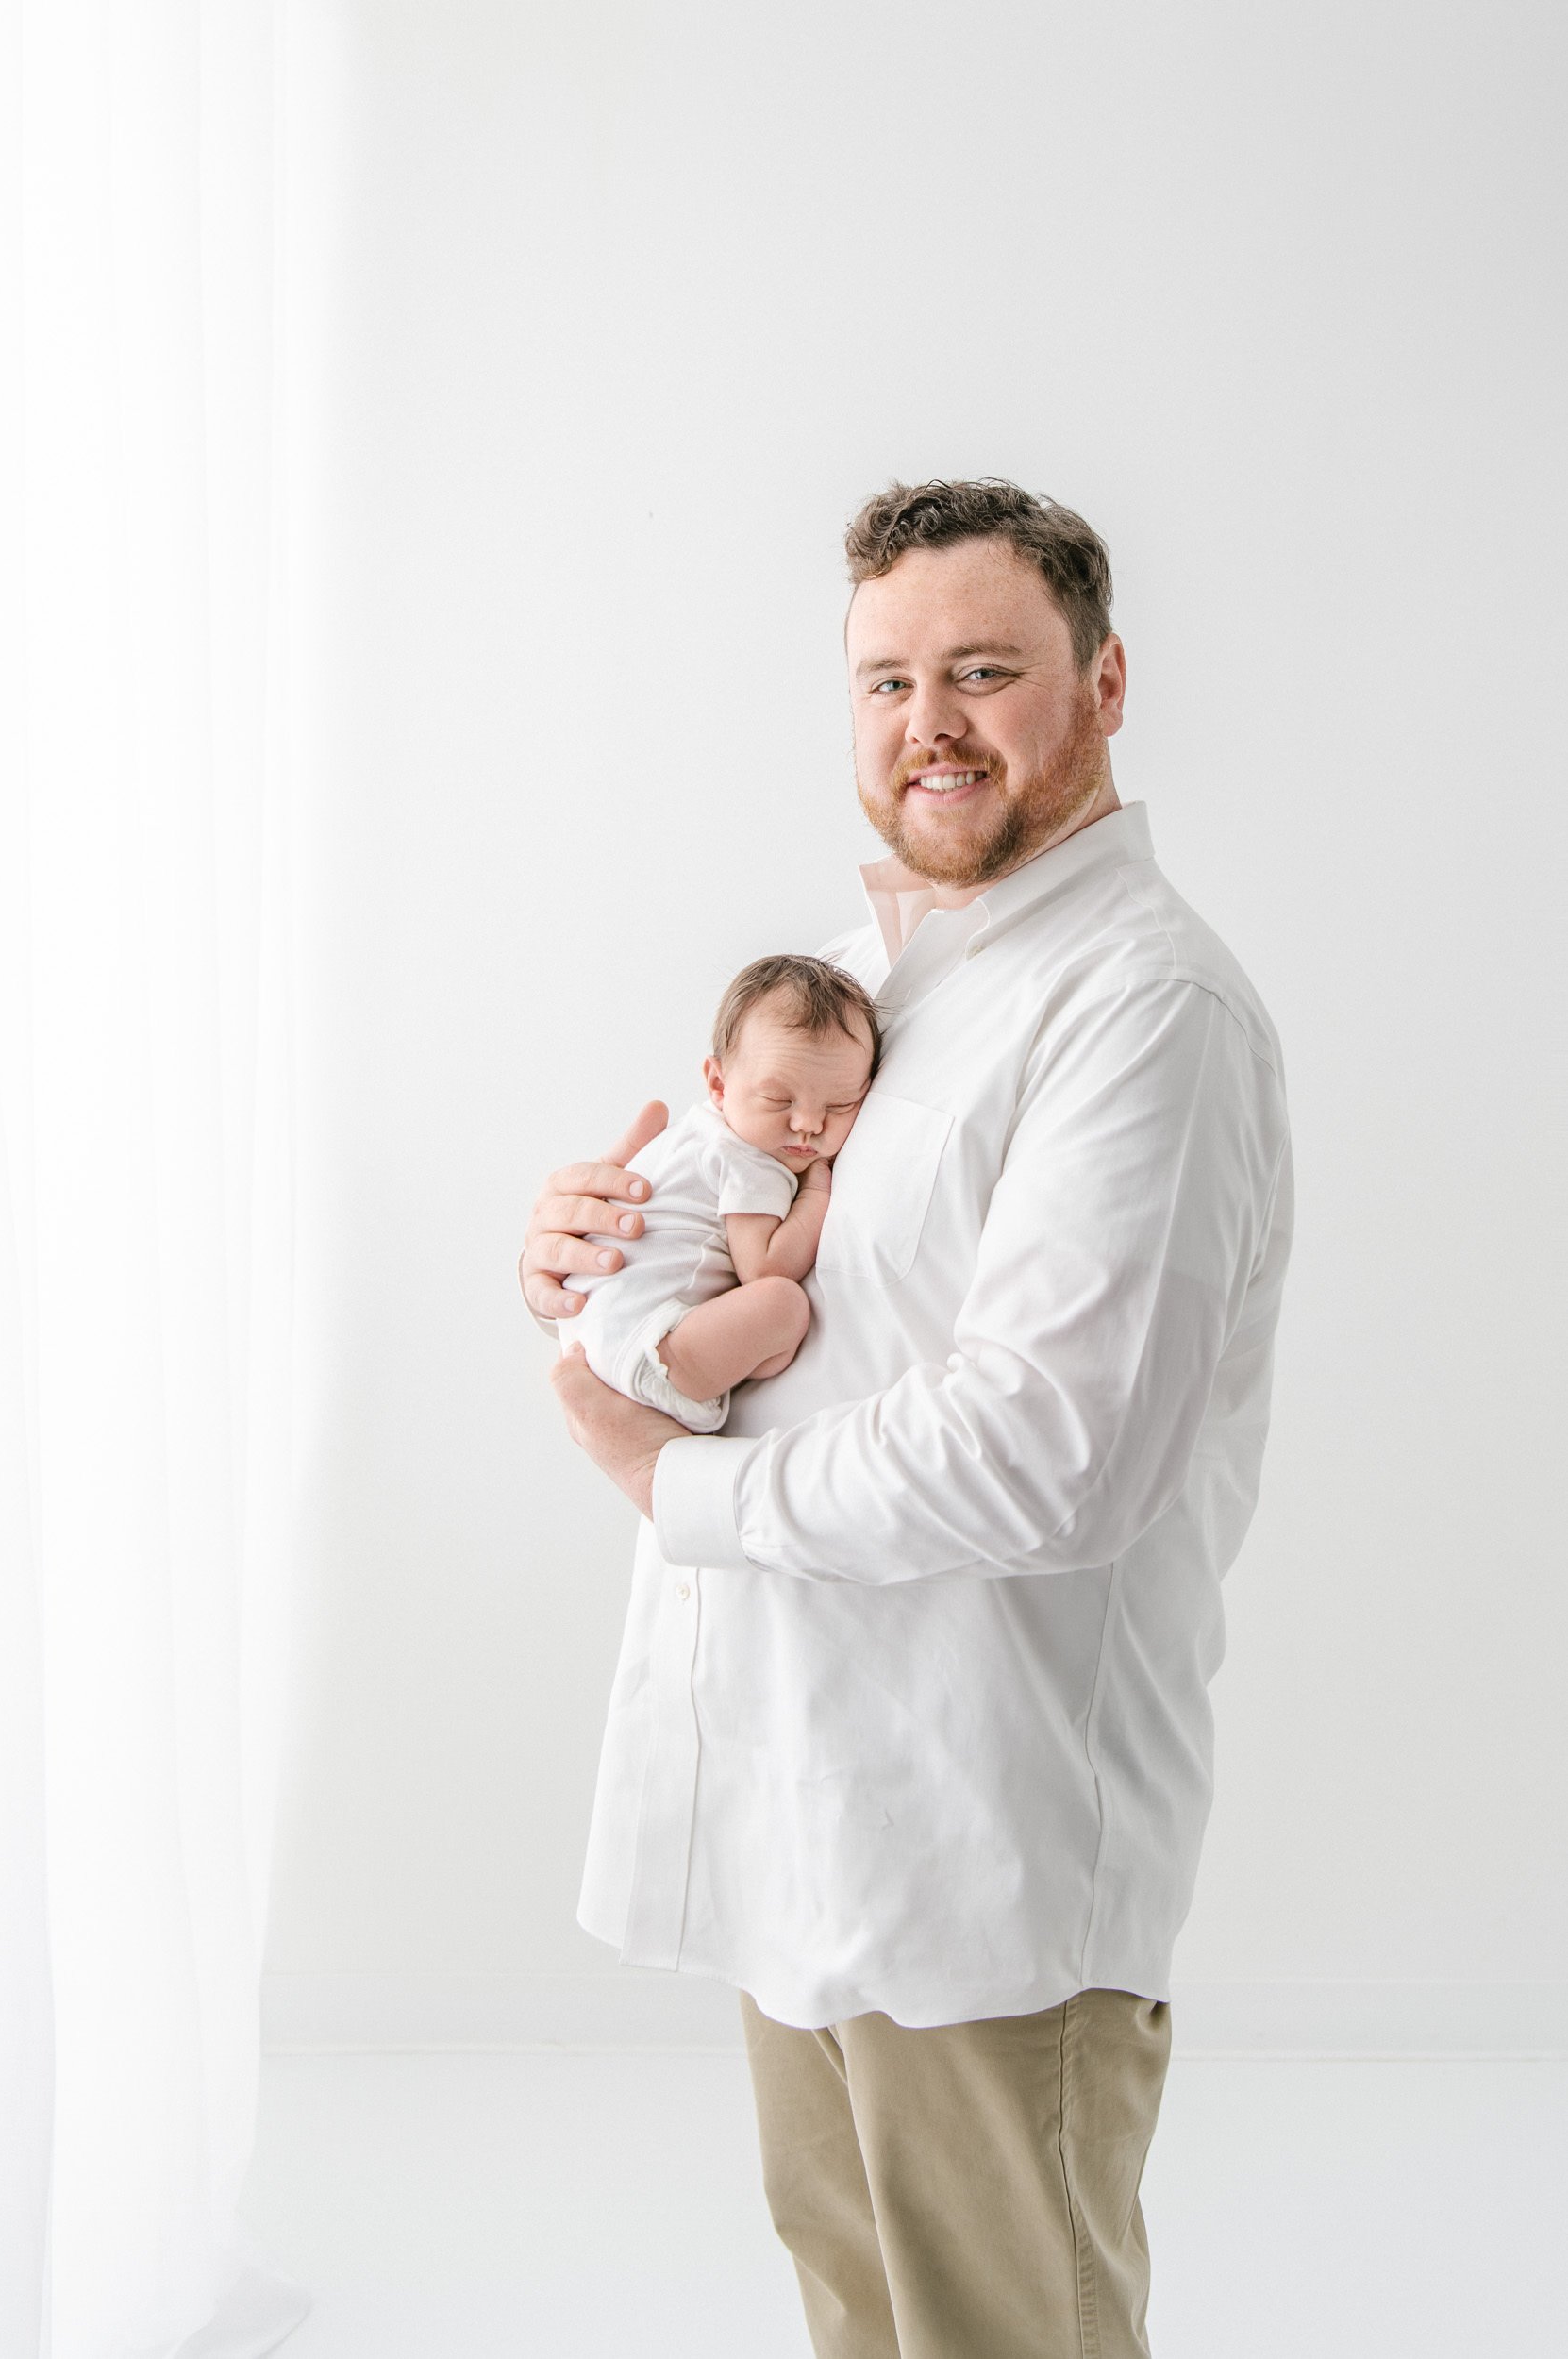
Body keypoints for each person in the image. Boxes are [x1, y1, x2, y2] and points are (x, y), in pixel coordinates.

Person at [522, 477, 1294, 2359]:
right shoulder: (867, 995)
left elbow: (1051, 1447)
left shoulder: (1140, 1008)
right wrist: (590, 1262)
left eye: (979, 668)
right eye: (883, 679)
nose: (922, 720)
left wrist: (677, 1483)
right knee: (862, 2320)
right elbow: (720, 1262)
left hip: (983, 1853)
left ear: (1100, 682)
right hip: (817, 1815)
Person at [564, 953, 880, 1431]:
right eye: (779, 1100)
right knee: (783, 1303)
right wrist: (817, 1188)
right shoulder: (746, 1156)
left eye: (840, 1105)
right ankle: (709, 1373)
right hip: (649, 1346)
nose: (809, 1125)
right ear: (717, 1082)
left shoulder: (699, 1137)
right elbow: (765, 1267)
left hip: (598, 1330)